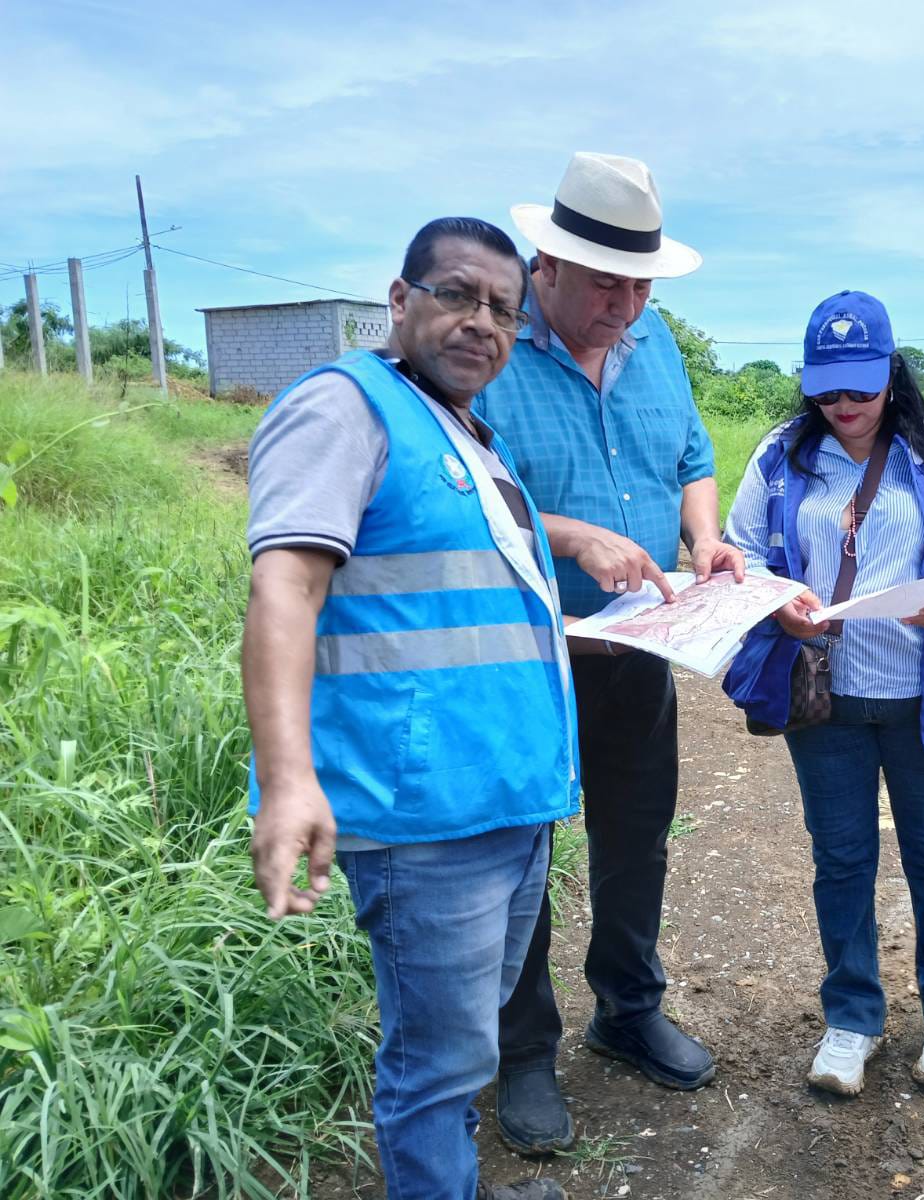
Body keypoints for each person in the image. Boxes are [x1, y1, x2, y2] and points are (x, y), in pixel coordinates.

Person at [243, 218, 571, 1200]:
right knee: (434, 1068)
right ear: (399, 299)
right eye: (457, 294)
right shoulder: (344, 408)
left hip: (503, 802)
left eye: (503, 309)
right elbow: (286, 587)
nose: (481, 323)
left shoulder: (459, 428)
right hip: (423, 816)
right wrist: (289, 782)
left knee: (461, 1052)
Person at [474, 152, 743, 1154]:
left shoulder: (651, 339)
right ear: (544, 263)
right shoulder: (490, 346)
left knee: (636, 836)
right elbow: (458, 491)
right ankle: (523, 1053)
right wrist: (570, 536)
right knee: (522, 854)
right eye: (603, 285)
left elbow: (692, 454)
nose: (624, 308)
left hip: (637, 645)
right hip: (522, 651)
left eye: (641, 287)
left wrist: (704, 537)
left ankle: (627, 1010)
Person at [723, 290, 924, 1097]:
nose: (845, 405)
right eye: (827, 390)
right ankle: (852, 1017)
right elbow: (744, 553)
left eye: (861, 387)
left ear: (893, 373)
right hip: (824, 699)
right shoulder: (780, 457)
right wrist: (775, 603)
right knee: (842, 857)